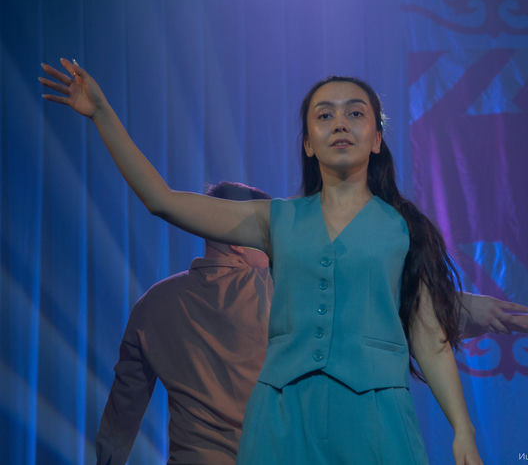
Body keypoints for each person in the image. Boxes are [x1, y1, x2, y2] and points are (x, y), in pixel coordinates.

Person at [40, 59, 484, 463]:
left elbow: (430, 336)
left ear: (377, 139)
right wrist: (102, 114)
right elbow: (163, 201)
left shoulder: (403, 227)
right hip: (283, 418)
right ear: (307, 143)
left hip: (375, 417)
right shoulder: (277, 220)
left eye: (355, 113)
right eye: (324, 115)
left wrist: (462, 429)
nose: (340, 124)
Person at [96, 182, 273, 465]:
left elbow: (122, 411)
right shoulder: (273, 290)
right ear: (239, 241)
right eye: (269, 235)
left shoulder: (152, 303)